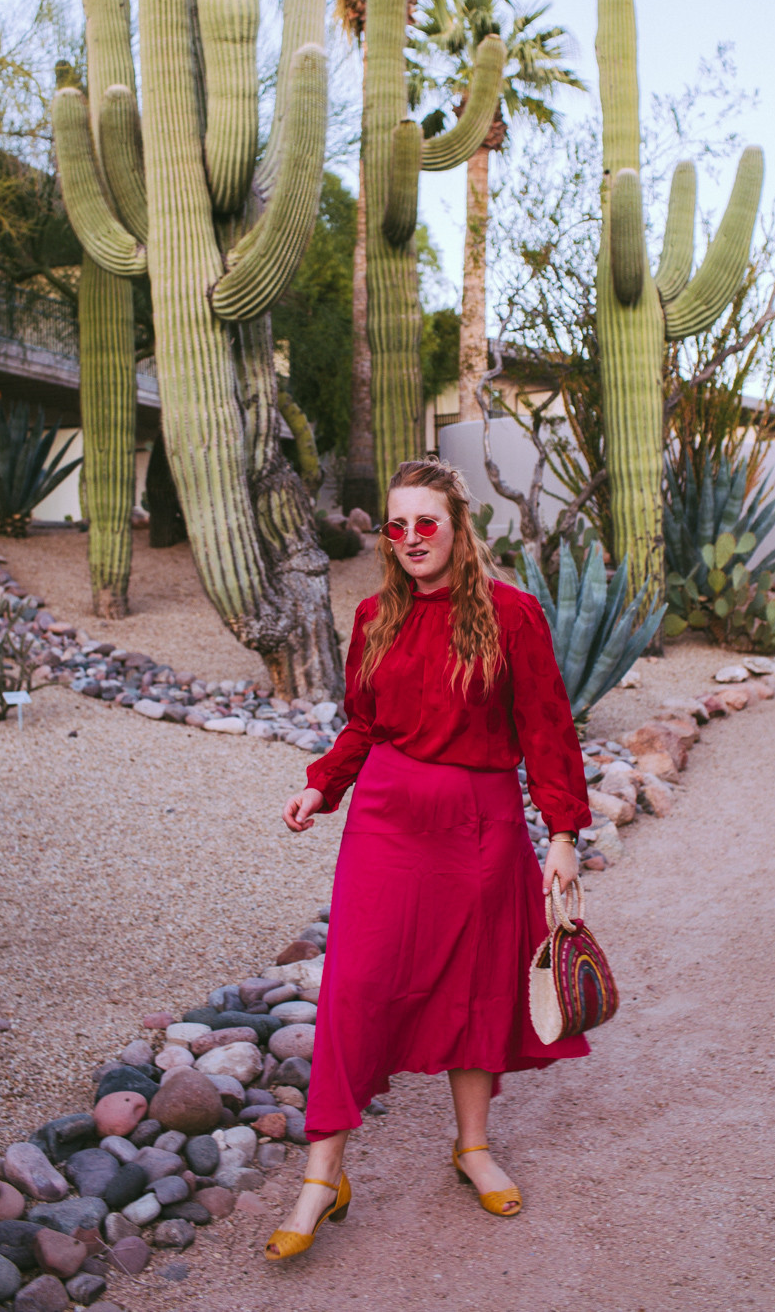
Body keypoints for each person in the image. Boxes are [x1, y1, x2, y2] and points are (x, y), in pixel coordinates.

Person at [265, 457, 591, 1262]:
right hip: (386, 822)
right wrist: (321, 785)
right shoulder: (376, 614)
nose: (411, 537)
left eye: (426, 523)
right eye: (397, 525)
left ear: (457, 527)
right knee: (356, 988)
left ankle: (472, 1147)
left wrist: (561, 833)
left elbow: (546, 726)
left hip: (480, 825)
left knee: (476, 987)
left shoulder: (512, 615)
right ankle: (322, 1175)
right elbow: (363, 722)